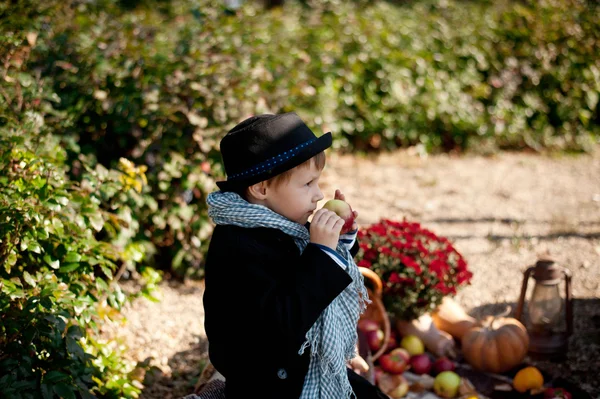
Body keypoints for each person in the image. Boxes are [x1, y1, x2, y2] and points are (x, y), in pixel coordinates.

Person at [203, 112, 388, 399]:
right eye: (307, 184)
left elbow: (320, 270)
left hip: (302, 363)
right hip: (268, 383)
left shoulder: (284, 223)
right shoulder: (237, 246)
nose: (318, 194)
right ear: (261, 188)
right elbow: (281, 323)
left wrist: (340, 238)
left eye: (317, 182)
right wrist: (323, 253)